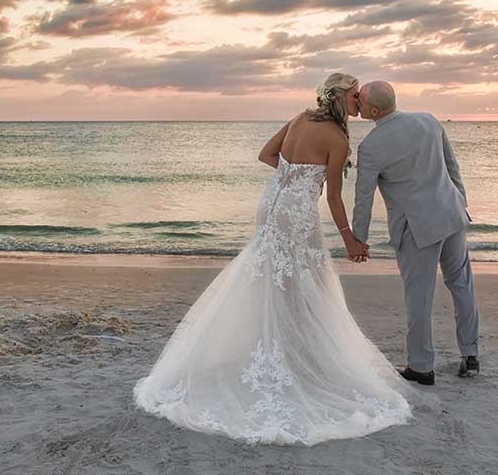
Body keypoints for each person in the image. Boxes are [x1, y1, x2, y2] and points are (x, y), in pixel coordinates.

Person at [133, 73, 420, 446]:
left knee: (275, 279)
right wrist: (348, 237)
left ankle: (280, 351)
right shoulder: (336, 138)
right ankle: (295, 360)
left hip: (270, 206)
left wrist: (293, 176)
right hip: (297, 214)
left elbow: (266, 154)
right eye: (354, 95)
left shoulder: (300, 119)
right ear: (339, 97)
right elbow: (333, 198)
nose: (359, 100)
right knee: (307, 285)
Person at [352, 81, 479, 386]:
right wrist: (459, 201)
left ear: (373, 110)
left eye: (360, 99)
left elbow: (364, 197)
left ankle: (421, 367)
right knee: (461, 285)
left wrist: (359, 238)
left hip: (416, 228)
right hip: (451, 214)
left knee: (419, 298)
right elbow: (453, 167)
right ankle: (471, 355)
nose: (356, 101)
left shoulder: (370, 146)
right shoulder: (428, 119)